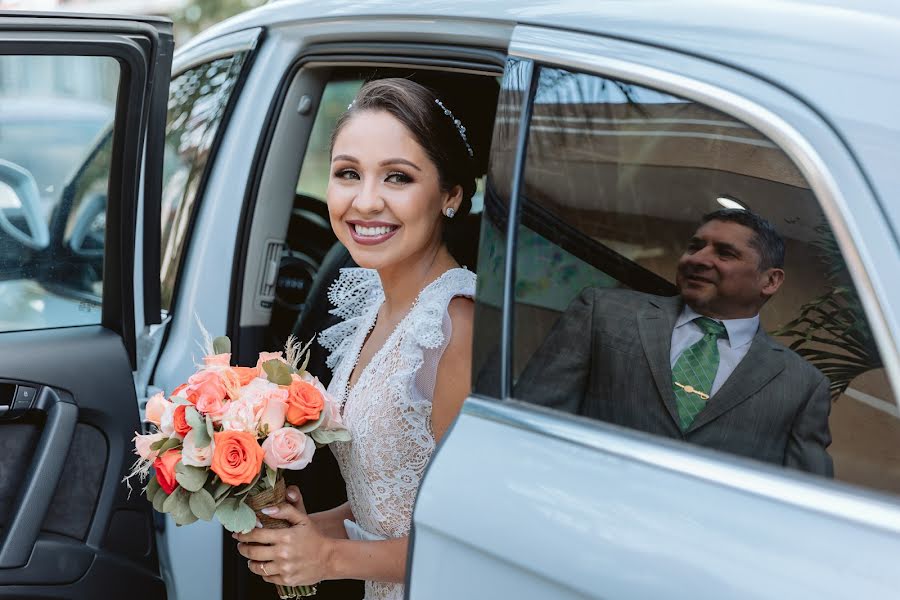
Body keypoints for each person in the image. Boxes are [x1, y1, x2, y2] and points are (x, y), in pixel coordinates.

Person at [234, 78, 477, 599]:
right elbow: (393, 503)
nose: (365, 202)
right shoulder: (368, 302)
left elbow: (467, 542)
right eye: (348, 174)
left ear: (450, 195)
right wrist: (308, 532)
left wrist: (328, 558)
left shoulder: (455, 328)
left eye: (397, 177)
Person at [516, 209, 833, 476]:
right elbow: (528, 420)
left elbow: (806, 494)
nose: (698, 259)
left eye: (724, 253)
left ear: (770, 280)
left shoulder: (802, 385)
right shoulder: (604, 313)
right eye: (695, 247)